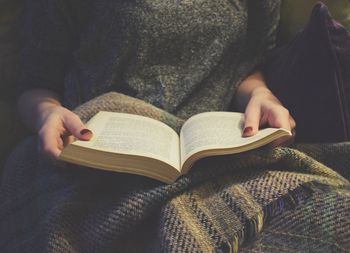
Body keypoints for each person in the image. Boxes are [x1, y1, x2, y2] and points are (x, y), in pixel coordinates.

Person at [1, 0, 349, 252]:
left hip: (216, 156)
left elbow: (247, 66)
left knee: (329, 216)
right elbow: (35, 84)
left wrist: (261, 94)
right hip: (97, 152)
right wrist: (47, 113)